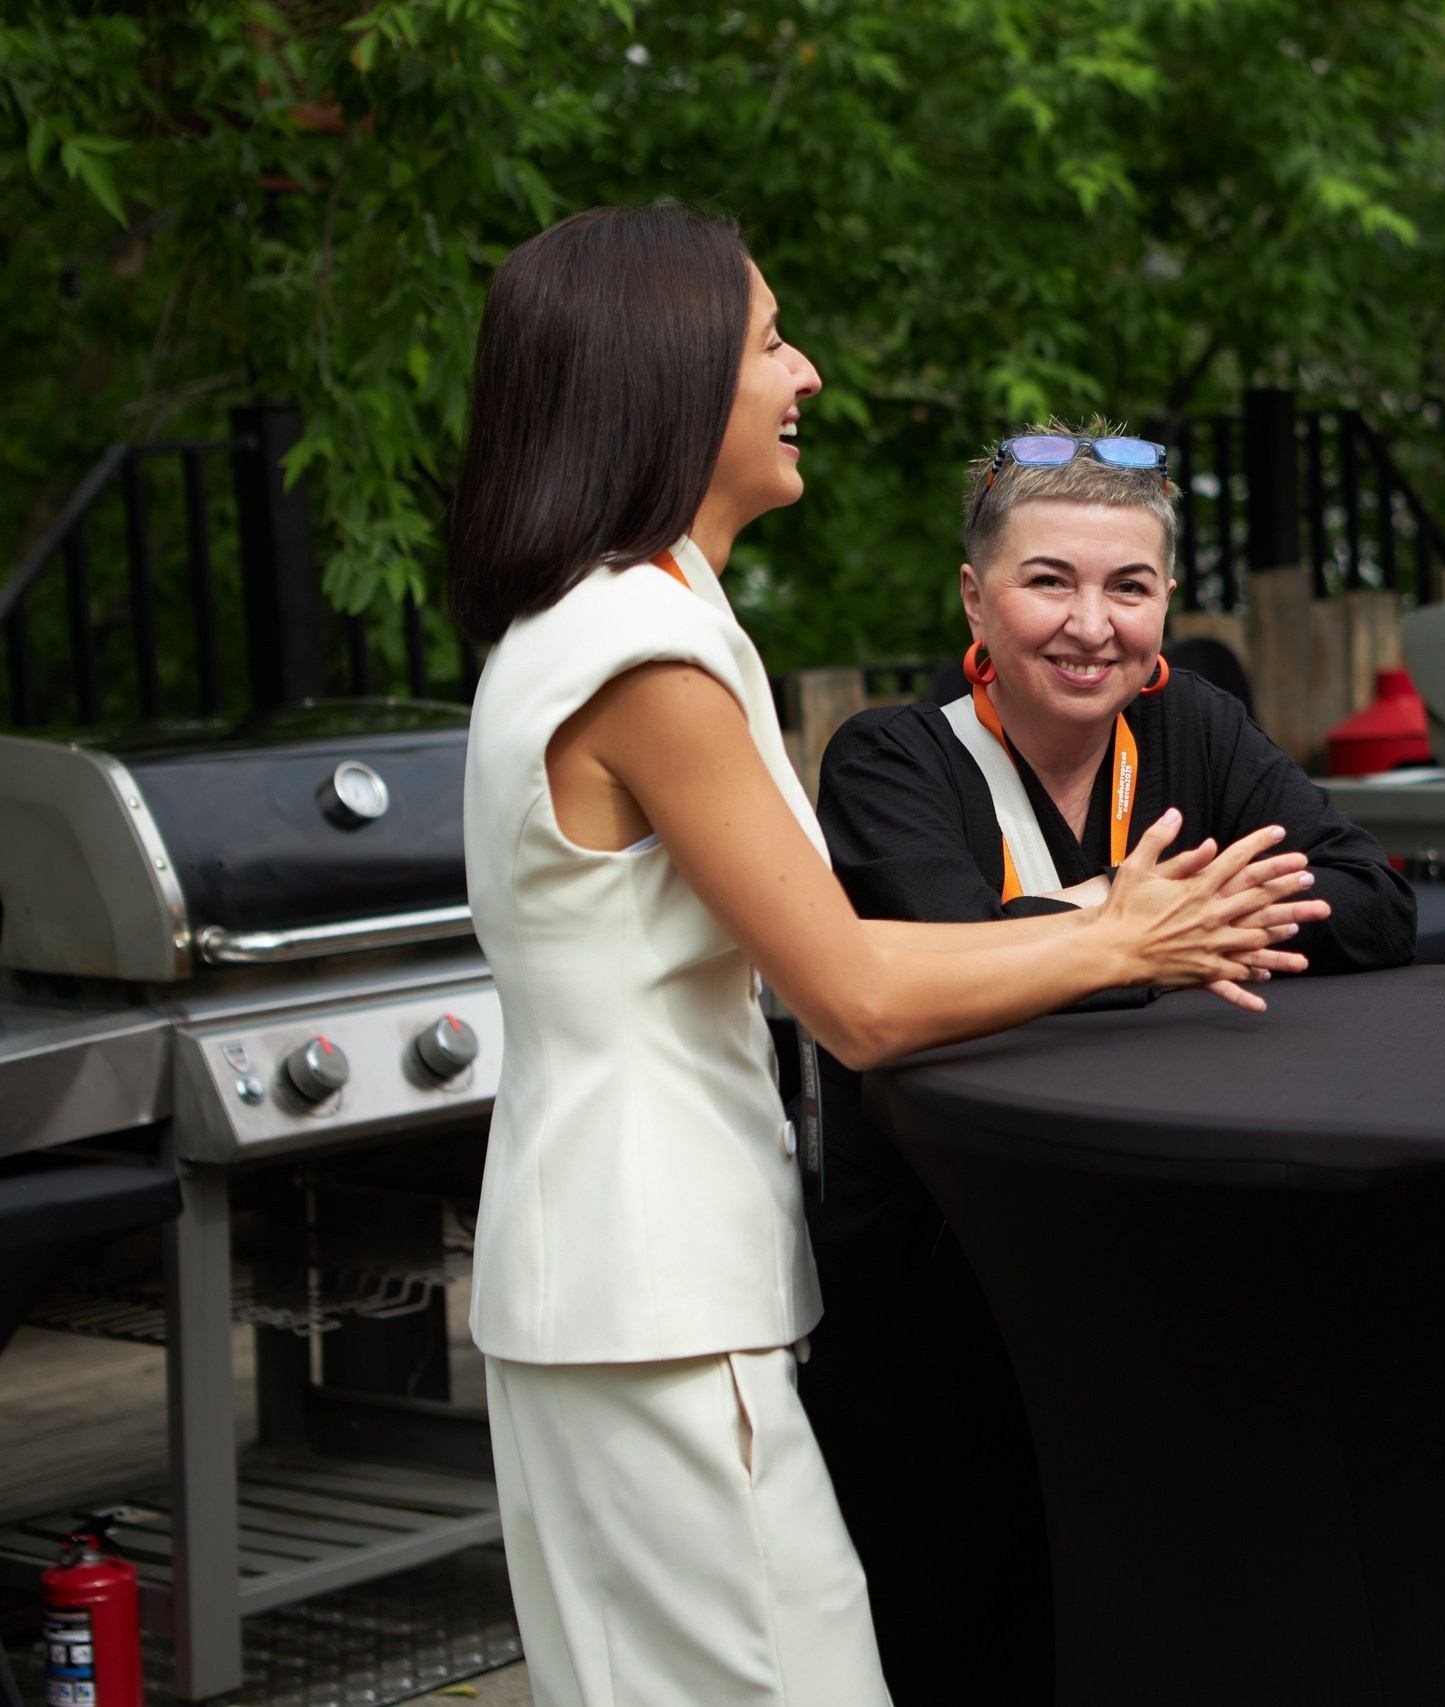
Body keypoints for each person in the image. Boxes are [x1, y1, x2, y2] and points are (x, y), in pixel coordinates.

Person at [448, 206, 1325, 1707]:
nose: (807, 373)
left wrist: (1110, 922)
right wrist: (1124, 931)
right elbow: (853, 995)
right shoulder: (643, 652)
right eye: (770, 341)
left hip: (607, 1281)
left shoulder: (600, 615)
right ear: (667, 374)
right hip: (654, 1286)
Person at [797, 417, 1414, 1703]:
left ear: (1167, 602)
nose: (1092, 625)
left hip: (1145, 1286)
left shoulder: (1198, 730)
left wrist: (1092, 931)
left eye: (1128, 586)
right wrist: (1141, 927)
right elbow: (948, 955)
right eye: (1049, 582)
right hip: (938, 1312)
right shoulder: (889, 759)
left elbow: (1368, 900)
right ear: (976, 599)